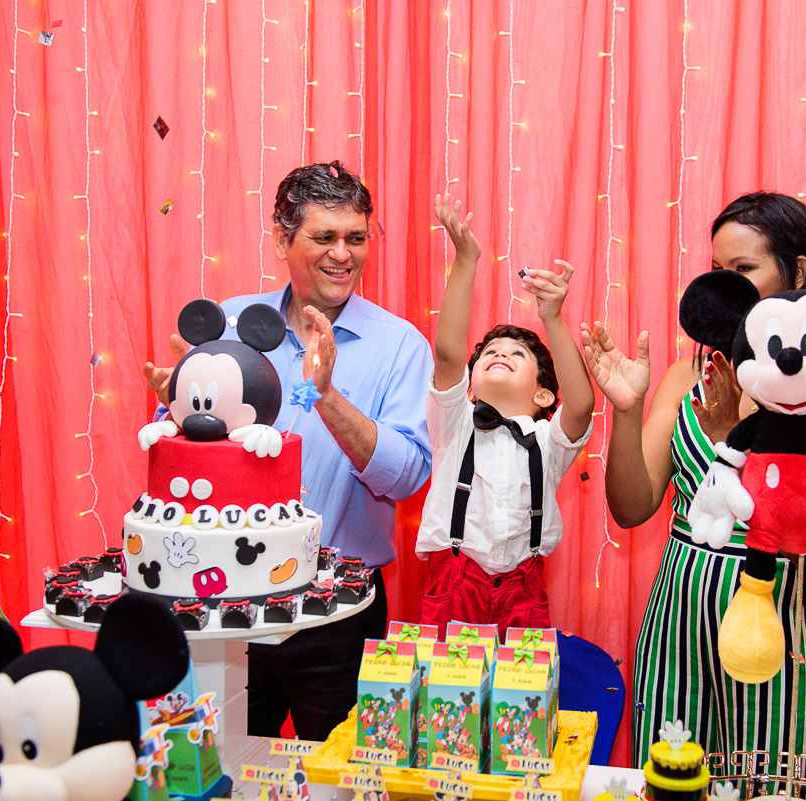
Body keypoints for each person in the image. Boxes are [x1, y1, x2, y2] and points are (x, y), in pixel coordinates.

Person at [580, 192, 806, 772]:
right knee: (674, 774)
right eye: (719, 272)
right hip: (683, 609)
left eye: (744, 270)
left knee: (775, 771)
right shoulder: (688, 373)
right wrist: (626, 409)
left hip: (783, 609)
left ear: (795, 271)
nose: (729, 288)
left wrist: (734, 437)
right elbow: (631, 509)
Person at [142, 161, 433, 740]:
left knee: (341, 776)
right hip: (223, 606)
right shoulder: (228, 323)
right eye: (324, 237)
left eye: (356, 237)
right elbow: (171, 452)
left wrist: (328, 396)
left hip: (339, 611)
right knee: (223, 764)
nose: (343, 254)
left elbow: (407, 479)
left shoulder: (400, 345)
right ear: (282, 239)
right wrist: (175, 412)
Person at [414, 194, 594, 634]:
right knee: (446, 695)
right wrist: (466, 260)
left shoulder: (549, 443)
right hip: (454, 582)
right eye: (491, 351)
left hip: (525, 588)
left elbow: (583, 404)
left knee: (522, 698)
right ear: (470, 386)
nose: (500, 354)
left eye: (517, 353)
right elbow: (449, 352)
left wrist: (553, 318)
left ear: (545, 396)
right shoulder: (453, 424)